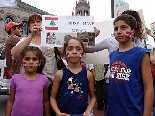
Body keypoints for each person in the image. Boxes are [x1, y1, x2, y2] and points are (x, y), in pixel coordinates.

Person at [11, 14, 100, 116]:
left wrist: (91, 36)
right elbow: (15, 54)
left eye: (38, 21)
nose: (35, 24)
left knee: (50, 109)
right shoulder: (25, 40)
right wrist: (31, 36)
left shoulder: (53, 38)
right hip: (32, 83)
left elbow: (71, 46)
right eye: (32, 22)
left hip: (51, 82)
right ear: (29, 26)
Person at [105, 14, 154, 116]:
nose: (118, 31)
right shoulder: (112, 55)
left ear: (133, 31)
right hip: (112, 111)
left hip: (133, 111)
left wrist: (147, 114)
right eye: (116, 28)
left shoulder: (141, 54)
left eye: (123, 27)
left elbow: (148, 87)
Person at [50, 37, 96, 116]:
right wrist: (58, 112)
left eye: (78, 49)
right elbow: (52, 98)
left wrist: (88, 111)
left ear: (83, 52)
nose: (74, 52)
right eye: (70, 49)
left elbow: (93, 97)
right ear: (65, 52)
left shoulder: (88, 74)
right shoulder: (59, 74)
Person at [5, 46, 50, 116]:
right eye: (27, 59)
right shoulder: (15, 79)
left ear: (39, 62)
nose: (31, 62)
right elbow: (10, 101)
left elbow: (45, 102)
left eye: (34, 59)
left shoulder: (44, 80)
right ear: (22, 62)